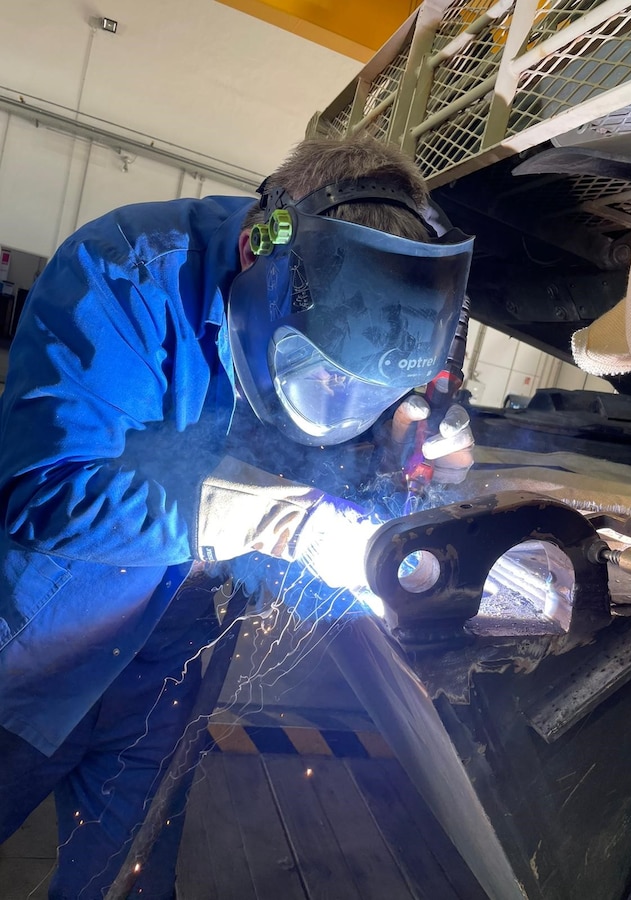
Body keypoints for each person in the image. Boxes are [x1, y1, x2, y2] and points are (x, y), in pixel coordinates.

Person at [0, 134, 473, 898]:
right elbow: (41, 492)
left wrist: (416, 479)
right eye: (318, 371)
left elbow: (347, 484)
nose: (334, 399)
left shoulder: (363, 313)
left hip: (176, 661)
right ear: (258, 252)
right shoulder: (123, 271)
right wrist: (262, 518)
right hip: (41, 644)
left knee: (127, 886)